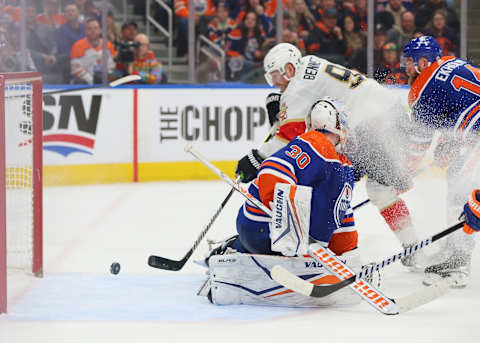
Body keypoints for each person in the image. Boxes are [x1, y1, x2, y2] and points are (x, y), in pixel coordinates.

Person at [235, 42, 425, 271]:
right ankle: (412, 245)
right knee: (373, 187)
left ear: (290, 68)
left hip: (375, 127)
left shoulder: (297, 88)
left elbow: (290, 140)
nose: (275, 83)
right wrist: (281, 116)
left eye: (276, 75)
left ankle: (412, 246)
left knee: (358, 185)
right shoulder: (311, 64)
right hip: (387, 116)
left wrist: (257, 158)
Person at [203, 97, 362, 307]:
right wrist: (284, 216)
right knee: (282, 239)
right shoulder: (317, 143)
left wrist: (347, 257)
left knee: (267, 243)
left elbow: (338, 214)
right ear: (337, 125)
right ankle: (236, 254)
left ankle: (232, 251)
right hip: (266, 228)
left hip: (259, 231)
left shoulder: (342, 167)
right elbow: (272, 168)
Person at [402, 35, 480, 287]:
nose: (406, 67)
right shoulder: (451, 63)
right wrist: (449, 144)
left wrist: (406, 172)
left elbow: (419, 141)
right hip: (475, 133)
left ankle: (458, 262)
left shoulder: (423, 87)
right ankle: (455, 247)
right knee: (458, 179)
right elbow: (463, 107)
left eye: (410, 61)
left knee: (461, 188)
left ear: (423, 62)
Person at [70, 17, 115, 84]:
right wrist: (91, 80)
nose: (93, 31)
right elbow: (75, 69)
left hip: (104, 81)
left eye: (95, 28)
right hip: (83, 83)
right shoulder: (77, 45)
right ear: (85, 31)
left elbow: (111, 66)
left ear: (100, 30)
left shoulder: (108, 45)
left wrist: (103, 78)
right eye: (89, 28)